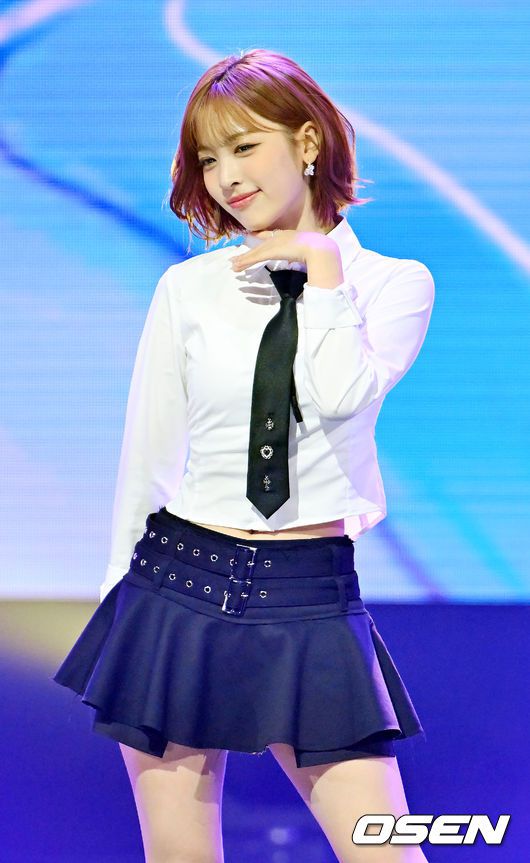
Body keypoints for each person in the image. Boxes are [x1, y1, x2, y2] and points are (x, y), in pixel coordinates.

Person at [52, 48, 435, 863]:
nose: (226, 176)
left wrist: (322, 275)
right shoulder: (189, 289)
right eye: (207, 158)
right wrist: (119, 600)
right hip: (178, 585)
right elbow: (149, 451)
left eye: (244, 146)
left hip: (310, 590)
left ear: (307, 142)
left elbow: (341, 396)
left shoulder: (393, 285)